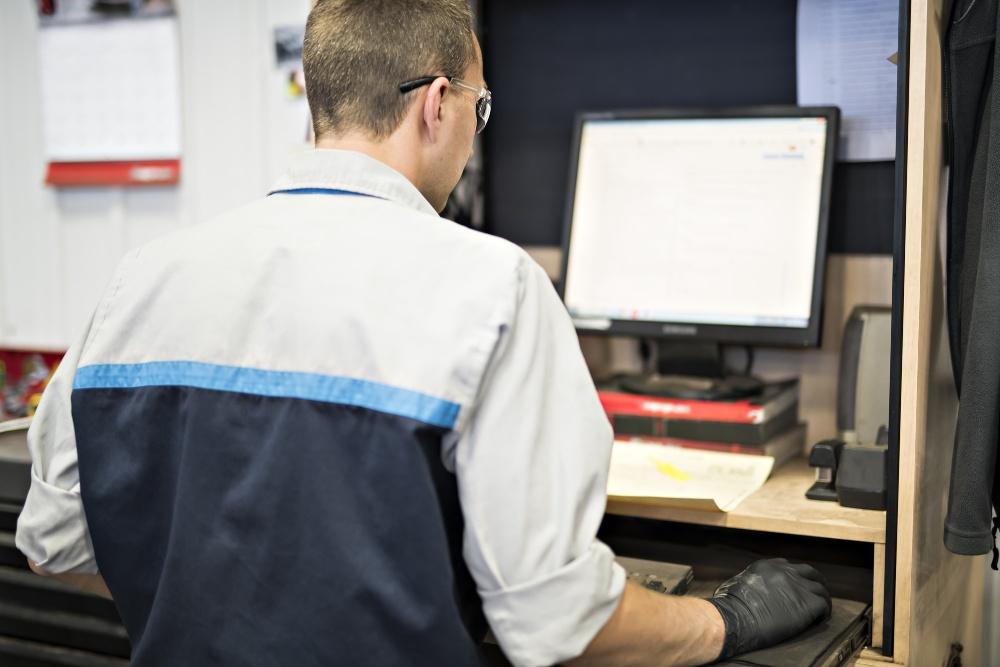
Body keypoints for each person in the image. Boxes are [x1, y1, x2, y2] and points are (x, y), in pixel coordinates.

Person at [15, 1, 831, 665]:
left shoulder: (138, 279)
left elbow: (53, 544)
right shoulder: (495, 287)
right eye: (481, 106)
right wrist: (729, 620)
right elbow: (558, 622)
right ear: (439, 104)